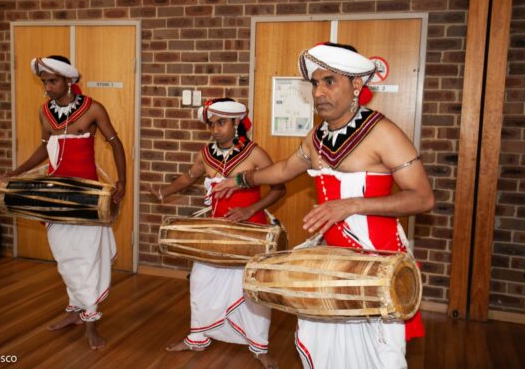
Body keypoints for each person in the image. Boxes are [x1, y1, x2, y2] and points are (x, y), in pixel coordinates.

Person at [214, 42, 435, 369]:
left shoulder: (382, 132)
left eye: (329, 81)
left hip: (379, 261)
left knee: (379, 358)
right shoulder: (316, 137)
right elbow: (285, 169)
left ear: (356, 85)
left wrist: (351, 205)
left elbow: (423, 197)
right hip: (331, 264)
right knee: (326, 352)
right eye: (315, 83)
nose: (319, 91)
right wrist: (240, 180)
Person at [0, 56, 126, 350]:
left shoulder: (93, 109)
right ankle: (75, 313)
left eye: (52, 81)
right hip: (55, 195)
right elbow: (44, 149)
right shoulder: (45, 112)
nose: (47, 87)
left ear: (69, 81)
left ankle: (91, 322)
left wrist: (122, 182)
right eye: (44, 82)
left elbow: (115, 143)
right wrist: (16, 172)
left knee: (86, 260)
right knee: (66, 259)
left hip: (86, 197)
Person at [149, 98, 285, 369]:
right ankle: (197, 337)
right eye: (211, 123)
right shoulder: (206, 153)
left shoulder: (255, 154)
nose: (215, 129)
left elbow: (279, 188)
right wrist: (165, 191)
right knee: (200, 281)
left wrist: (250, 210)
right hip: (215, 233)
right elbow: (189, 177)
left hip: (250, 232)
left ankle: (259, 347)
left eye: (221, 123)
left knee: (250, 288)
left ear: (236, 123)